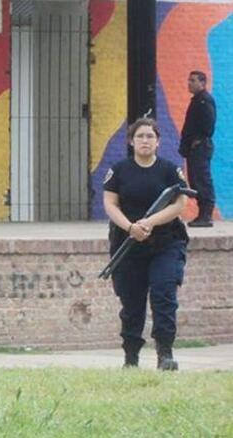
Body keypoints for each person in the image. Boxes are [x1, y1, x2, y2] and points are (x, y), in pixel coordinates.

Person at [104, 118, 189, 370]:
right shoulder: (119, 170)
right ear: (131, 141)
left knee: (164, 295)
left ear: (158, 141)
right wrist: (131, 227)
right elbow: (110, 204)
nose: (145, 140)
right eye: (140, 136)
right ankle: (131, 358)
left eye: (150, 136)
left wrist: (149, 222)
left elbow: (180, 204)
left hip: (165, 243)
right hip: (129, 244)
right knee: (132, 303)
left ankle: (165, 353)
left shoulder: (169, 170)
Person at [179, 70, 216, 227]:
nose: (189, 83)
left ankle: (206, 216)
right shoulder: (197, 100)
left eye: (193, 80)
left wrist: (198, 140)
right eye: (189, 80)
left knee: (202, 180)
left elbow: (208, 125)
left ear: (202, 83)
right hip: (194, 148)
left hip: (200, 147)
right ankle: (202, 214)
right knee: (195, 180)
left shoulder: (204, 101)